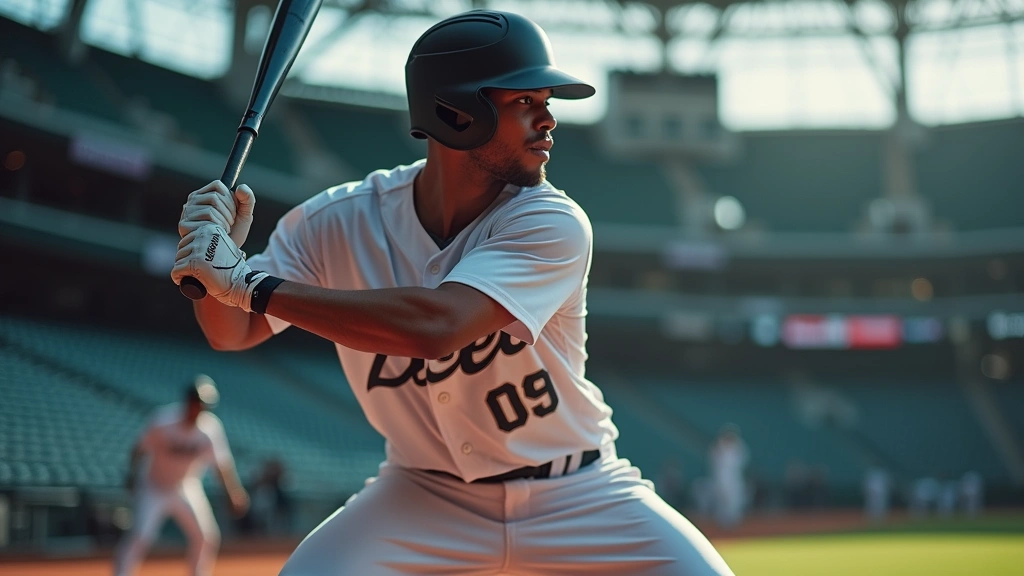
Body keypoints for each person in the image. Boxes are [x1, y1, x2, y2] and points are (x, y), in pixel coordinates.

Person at [171, 9, 734, 575]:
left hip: (577, 494)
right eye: (524, 103)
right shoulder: (334, 221)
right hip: (423, 496)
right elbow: (234, 331)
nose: (548, 121)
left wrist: (245, 282)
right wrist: (209, 267)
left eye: (547, 102)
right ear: (455, 113)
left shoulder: (552, 222)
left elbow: (435, 327)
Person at [113, 375, 249, 576]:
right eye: (196, 402)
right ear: (188, 401)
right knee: (141, 536)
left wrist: (232, 492)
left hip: (186, 487)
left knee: (207, 536)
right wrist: (132, 475)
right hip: (153, 486)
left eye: (204, 404)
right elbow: (139, 449)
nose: (199, 408)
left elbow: (222, 465)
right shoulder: (164, 420)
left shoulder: (210, 428)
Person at [708, 424, 748, 528]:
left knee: (735, 501)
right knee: (722, 502)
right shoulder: (718, 448)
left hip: (735, 479)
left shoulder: (738, 447)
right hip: (721, 478)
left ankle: (734, 525)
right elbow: (715, 464)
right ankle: (722, 526)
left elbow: (743, 461)